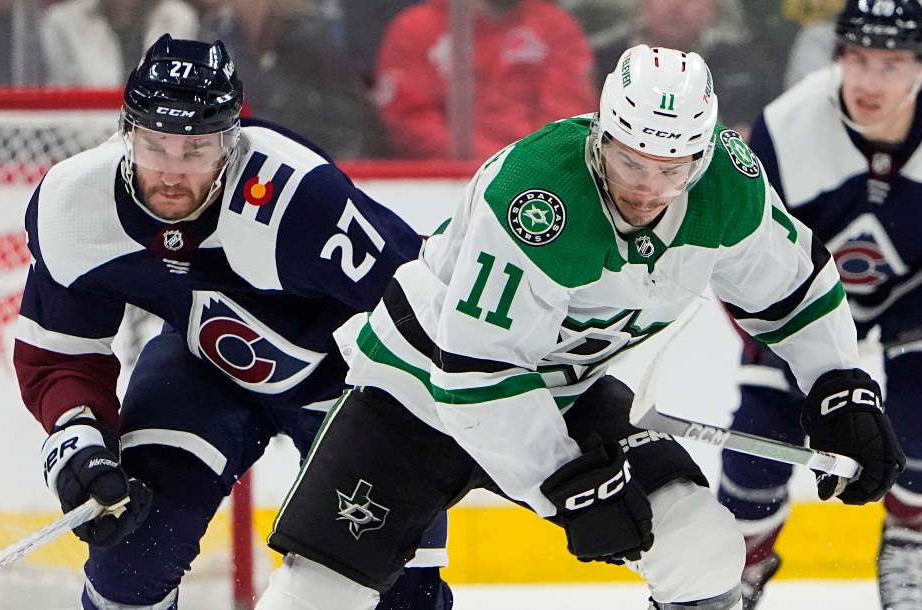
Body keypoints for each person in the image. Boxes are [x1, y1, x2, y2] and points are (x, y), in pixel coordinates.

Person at [250, 44, 905, 610]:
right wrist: (565, 482)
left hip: (564, 393)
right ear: (601, 135)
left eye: (670, 169)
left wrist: (839, 384)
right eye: (630, 161)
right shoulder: (539, 195)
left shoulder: (727, 186)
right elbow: (477, 373)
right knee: (317, 594)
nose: (646, 188)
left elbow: (795, 286)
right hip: (416, 393)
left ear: (701, 155)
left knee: (701, 546)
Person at [14, 34, 453, 610]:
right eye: (155, 146)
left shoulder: (297, 197)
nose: (172, 174)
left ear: (230, 143)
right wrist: (77, 439)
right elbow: (58, 355)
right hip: (205, 369)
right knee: (130, 556)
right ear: (126, 131)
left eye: (195, 151)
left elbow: (425, 304)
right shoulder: (74, 205)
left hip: (351, 389)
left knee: (398, 592)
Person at [716, 2, 922, 608]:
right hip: (803, 304)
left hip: (913, 299)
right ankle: (740, 564)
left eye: (891, 64)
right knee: (757, 444)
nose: (869, 82)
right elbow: (747, 262)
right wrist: (807, 357)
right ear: (836, 57)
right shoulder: (788, 127)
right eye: (857, 60)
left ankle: (911, 542)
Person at [373, 0, 597, 161]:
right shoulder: (415, 28)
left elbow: (569, 117)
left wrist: (522, 161)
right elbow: (411, 120)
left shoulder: (554, 26)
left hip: (537, 173)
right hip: (445, 180)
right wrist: (492, 160)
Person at [198, 0, 373, 159]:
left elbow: (342, 121)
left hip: (314, 162)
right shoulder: (217, 31)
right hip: (249, 160)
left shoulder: (307, 35)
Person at [592, 0, 780, 138]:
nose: (675, 5)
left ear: (714, 8)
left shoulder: (749, 65)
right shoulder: (603, 63)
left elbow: (773, 133)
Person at [39, 0, 201, 86]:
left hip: (157, 135)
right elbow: (61, 94)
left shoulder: (179, 18)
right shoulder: (63, 21)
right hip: (85, 139)